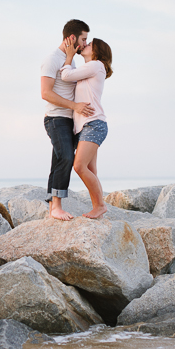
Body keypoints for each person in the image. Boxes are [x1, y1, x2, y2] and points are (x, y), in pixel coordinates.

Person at [40, 20, 94, 221]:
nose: (85, 43)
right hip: (56, 118)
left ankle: (53, 205)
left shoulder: (70, 60)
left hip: (69, 120)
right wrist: (75, 107)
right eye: (83, 39)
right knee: (66, 158)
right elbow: (45, 93)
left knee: (59, 158)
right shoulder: (52, 59)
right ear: (72, 38)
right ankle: (56, 206)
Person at [60, 38, 113, 219]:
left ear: (97, 51)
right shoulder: (88, 70)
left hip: (94, 124)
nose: (86, 45)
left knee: (79, 166)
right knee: (91, 169)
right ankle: (97, 206)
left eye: (89, 44)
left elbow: (66, 75)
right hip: (88, 125)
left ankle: (100, 206)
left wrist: (68, 57)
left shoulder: (96, 65)